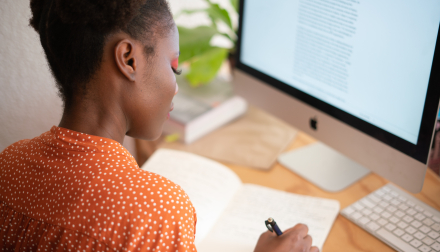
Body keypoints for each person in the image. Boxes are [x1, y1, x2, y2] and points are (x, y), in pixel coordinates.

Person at [0, 0, 319, 251]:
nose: (176, 87)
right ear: (128, 59)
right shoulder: (155, 212)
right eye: (174, 67)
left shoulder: (8, 166)